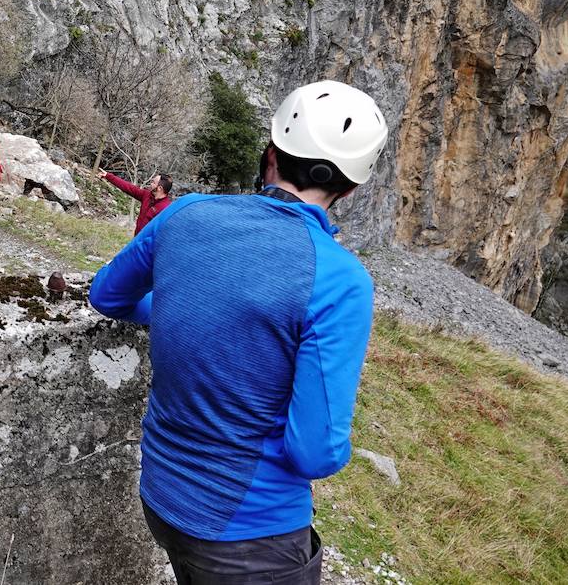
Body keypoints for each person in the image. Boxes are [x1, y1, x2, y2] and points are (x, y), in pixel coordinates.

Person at [88, 80, 389, 585]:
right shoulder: (341, 280)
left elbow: (107, 296)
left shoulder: (184, 213)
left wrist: (182, 307)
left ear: (269, 155)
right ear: (352, 188)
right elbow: (315, 452)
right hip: (251, 537)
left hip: (162, 495)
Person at [102, 170, 172, 235]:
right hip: (136, 240)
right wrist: (108, 176)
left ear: (160, 188)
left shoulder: (166, 209)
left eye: (153, 182)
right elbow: (129, 187)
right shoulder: (146, 195)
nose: (150, 184)